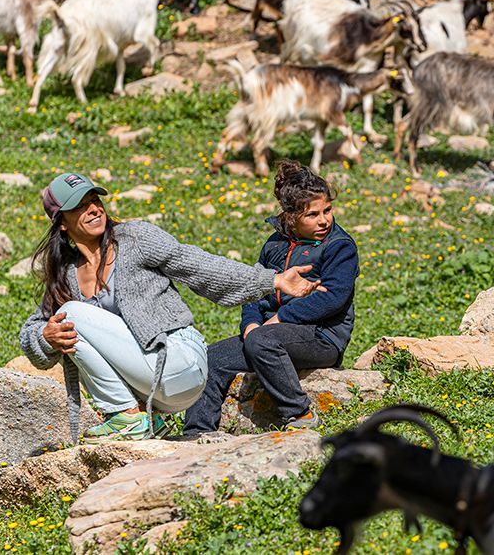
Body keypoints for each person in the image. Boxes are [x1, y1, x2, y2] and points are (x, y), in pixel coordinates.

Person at [18, 171, 322, 444]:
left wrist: (273, 280)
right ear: (61, 223)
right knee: (62, 323)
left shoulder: (134, 239)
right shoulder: (66, 274)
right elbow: (34, 329)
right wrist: (46, 338)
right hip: (156, 389)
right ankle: (136, 417)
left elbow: (198, 265)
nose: (94, 208)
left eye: (94, 199)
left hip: (180, 361)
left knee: (70, 315)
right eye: (80, 206)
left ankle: (124, 415)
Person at [177, 161, 359, 437]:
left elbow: (333, 298)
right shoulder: (274, 244)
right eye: (312, 214)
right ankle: (196, 432)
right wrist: (250, 324)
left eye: (327, 211)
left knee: (263, 340)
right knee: (211, 358)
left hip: (321, 337)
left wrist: (280, 318)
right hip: (268, 335)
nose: (324, 220)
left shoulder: (339, 247)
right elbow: (256, 289)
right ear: (291, 216)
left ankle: (300, 413)